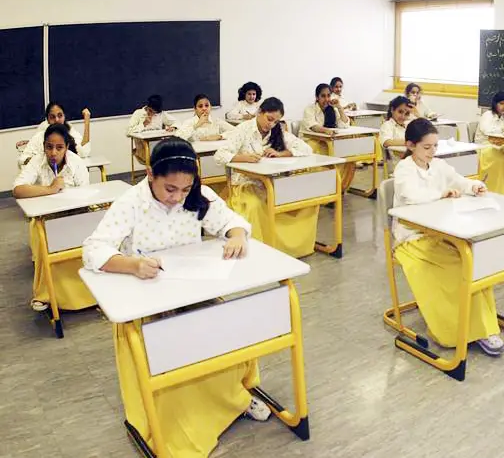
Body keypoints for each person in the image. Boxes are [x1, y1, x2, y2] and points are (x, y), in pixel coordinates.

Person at [82, 138, 271, 457]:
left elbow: (230, 221)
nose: (178, 197)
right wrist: (132, 265)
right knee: (172, 355)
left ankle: (233, 400)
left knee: (227, 336)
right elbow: (93, 250)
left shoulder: (195, 194)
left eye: (185, 190)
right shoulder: (131, 202)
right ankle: (178, 422)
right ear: (150, 174)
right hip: (150, 302)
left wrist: (236, 236)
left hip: (193, 290)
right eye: (170, 189)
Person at [392, 119, 504, 356]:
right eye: (427, 147)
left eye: (435, 146)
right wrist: (441, 193)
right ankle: (461, 329)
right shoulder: (405, 168)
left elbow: (459, 181)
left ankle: (483, 326)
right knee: (455, 267)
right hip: (412, 237)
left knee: (473, 262)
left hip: (439, 232)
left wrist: (474, 187)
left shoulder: (438, 164)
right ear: (411, 145)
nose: (432, 152)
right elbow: (410, 195)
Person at [215, 98, 319, 258]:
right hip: (246, 184)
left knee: (305, 201)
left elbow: (306, 148)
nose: (271, 124)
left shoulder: (277, 131)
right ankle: (261, 251)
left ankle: (292, 248)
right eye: (269, 119)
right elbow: (220, 155)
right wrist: (244, 158)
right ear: (259, 112)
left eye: (276, 121)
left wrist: (281, 153)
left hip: (270, 183)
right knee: (255, 205)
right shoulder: (243, 130)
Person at [14, 124, 93, 312]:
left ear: (66, 147)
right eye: (49, 147)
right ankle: (45, 294)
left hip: (75, 215)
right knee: (42, 237)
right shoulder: (37, 161)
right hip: (47, 218)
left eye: (59, 148)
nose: (53, 153)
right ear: (44, 147)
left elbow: (87, 195)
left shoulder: (76, 163)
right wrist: (49, 189)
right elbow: (18, 189)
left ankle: (88, 291)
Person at [301, 83, 354, 189]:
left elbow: (344, 125)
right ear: (317, 97)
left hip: (329, 142)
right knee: (319, 155)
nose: (326, 99)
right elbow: (313, 126)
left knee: (349, 157)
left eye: (328, 95)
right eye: (323, 96)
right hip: (312, 141)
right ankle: (321, 189)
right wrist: (326, 131)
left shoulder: (332, 109)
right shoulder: (309, 109)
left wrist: (339, 108)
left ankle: (338, 188)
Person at [19, 102, 91, 166]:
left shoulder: (71, 133)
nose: (57, 120)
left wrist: (87, 120)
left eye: (60, 116)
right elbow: (22, 159)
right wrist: (38, 161)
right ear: (47, 120)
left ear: (64, 117)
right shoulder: (40, 136)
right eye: (52, 117)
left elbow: (84, 152)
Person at [379, 96, 412, 171]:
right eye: (400, 112)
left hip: (409, 160)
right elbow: (386, 142)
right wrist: (408, 142)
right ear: (392, 110)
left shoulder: (408, 125)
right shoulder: (387, 125)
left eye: (407, 113)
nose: (403, 116)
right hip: (397, 164)